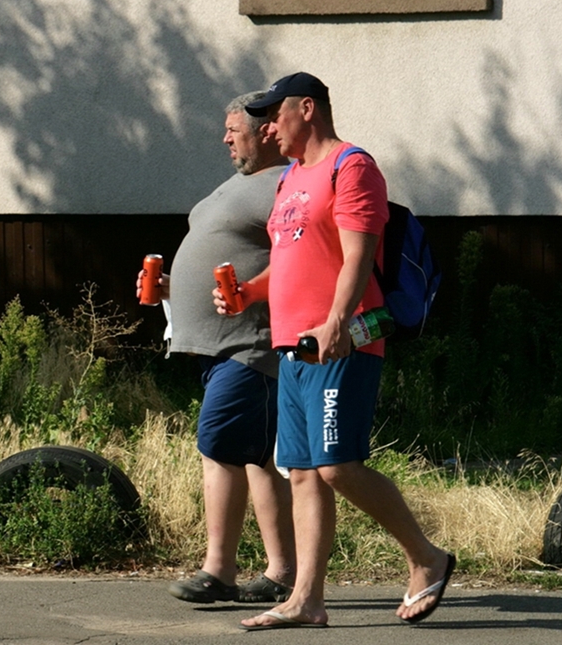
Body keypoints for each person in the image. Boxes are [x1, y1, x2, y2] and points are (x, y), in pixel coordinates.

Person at [216, 73, 455, 629]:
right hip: (292, 346)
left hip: (342, 343)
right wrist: (249, 294)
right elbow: (292, 260)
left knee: (337, 467)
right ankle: (307, 600)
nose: (269, 126)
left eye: (277, 114)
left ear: (309, 108)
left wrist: (336, 322)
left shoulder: (353, 167)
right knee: (302, 472)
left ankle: (426, 557)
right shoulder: (292, 178)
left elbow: (357, 254)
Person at [136, 91, 296, 604]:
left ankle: (219, 571)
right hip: (216, 346)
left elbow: (302, 260)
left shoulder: (287, 186)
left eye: (234, 129)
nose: (224, 138)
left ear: (267, 130)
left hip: (254, 344)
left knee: (218, 445)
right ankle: (281, 574)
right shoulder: (240, 183)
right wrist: (172, 290)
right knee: (258, 459)